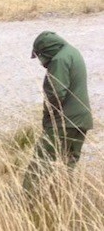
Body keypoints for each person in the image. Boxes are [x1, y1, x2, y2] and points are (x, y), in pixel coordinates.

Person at [23, 31, 93, 192]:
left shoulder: (59, 60)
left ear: (47, 50)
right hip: (82, 121)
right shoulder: (73, 53)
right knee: (68, 164)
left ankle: (25, 202)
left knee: (41, 161)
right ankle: (62, 200)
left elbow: (55, 94)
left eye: (40, 56)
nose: (41, 62)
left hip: (64, 122)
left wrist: (48, 119)